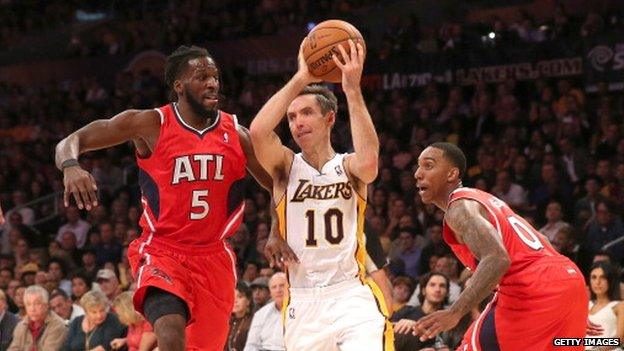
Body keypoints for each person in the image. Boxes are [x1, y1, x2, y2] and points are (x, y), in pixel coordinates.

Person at [55, 45, 274, 350]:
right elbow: (71, 141)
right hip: (163, 251)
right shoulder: (151, 124)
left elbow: (277, 184)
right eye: (202, 77)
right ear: (179, 85)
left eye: (215, 76)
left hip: (214, 258)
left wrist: (277, 229)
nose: (212, 83)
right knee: (170, 334)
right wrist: (71, 165)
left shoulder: (236, 134)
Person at [250, 39, 393, 350]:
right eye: (291, 117)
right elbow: (258, 132)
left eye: (306, 113)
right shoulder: (285, 166)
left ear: (329, 119)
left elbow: (370, 162)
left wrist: (352, 90)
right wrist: (302, 77)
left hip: (351, 295)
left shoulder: (349, 166)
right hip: (302, 300)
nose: (297, 122)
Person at [411, 142, 588, 350]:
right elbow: (544, 242)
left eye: (428, 165)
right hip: (570, 280)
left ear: (452, 174)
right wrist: (570, 300)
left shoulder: (459, 207)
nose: (417, 174)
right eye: (418, 166)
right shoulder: (486, 199)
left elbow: (497, 258)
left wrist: (455, 312)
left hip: (531, 289)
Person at [8, 285, 68, 351]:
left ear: (47, 305)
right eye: (28, 304)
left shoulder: (58, 326)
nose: (32, 309)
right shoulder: (21, 326)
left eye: (37, 303)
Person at [243, 273, 287, 351]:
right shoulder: (260, 314)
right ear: (270, 292)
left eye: (282, 286)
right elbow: (251, 345)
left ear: (289, 288)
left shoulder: (298, 312)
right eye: (274, 287)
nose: (278, 290)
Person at [586, 261, 623, 348]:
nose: (597, 282)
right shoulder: (586, 304)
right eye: (593, 277)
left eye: (603, 277)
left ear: (610, 280)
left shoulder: (620, 305)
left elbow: (620, 338)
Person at [226, 283, 254, 351]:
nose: (235, 301)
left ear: (248, 301)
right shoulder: (227, 322)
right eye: (232, 297)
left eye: (240, 297)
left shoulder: (254, 321)